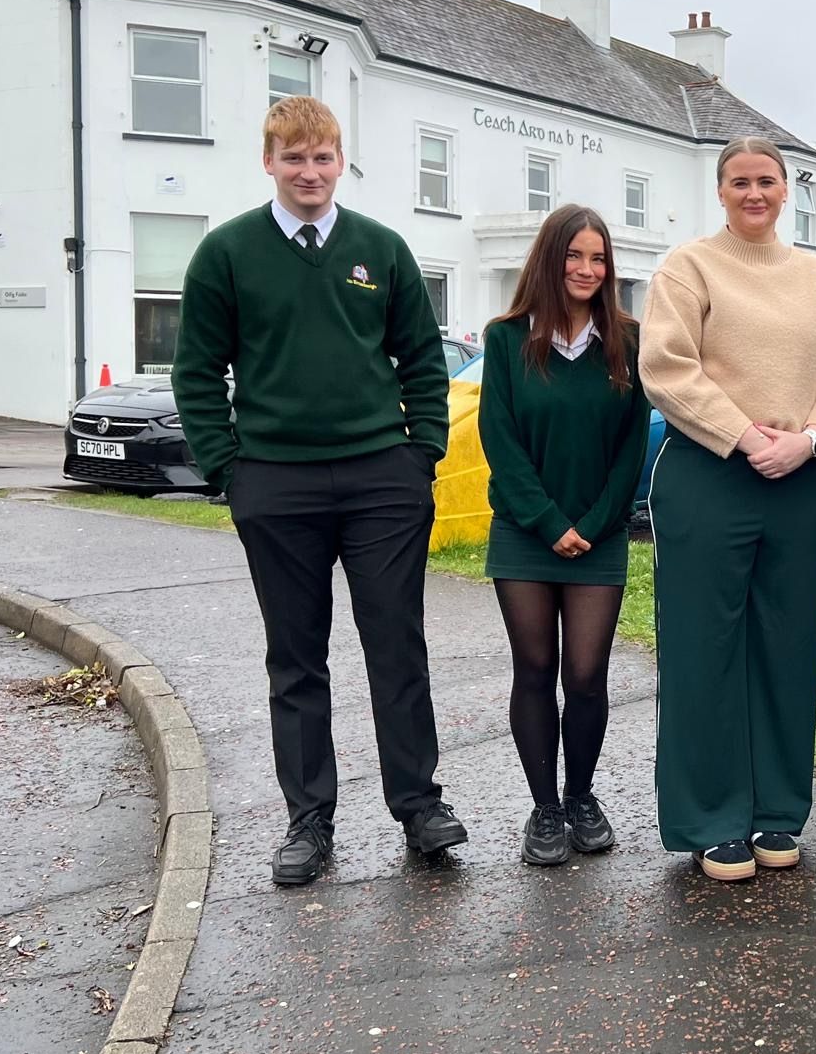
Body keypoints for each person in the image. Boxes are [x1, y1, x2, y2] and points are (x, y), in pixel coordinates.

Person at [172, 96, 466, 886]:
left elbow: (422, 359)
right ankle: (309, 822)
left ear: (341, 162)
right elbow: (196, 371)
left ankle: (420, 807)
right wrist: (228, 470)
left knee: (396, 647)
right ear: (269, 161)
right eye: (294, 158)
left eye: (323, 157)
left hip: (381, 480)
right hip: (275, 483)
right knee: (296, 659)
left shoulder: (382, 249)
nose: (310, 172)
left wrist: (421, 455)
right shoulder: (226, 252)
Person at [639, 136, 816, 881]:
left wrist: (808, 438)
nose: (755, 193)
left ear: (786, 191)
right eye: (740, 181)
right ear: (721, 190)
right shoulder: (689, 268)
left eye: (767, 181)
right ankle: (712, 819)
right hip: (709, 471)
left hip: (797, 478)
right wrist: (745, 436)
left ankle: (777, 810)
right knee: (704, 648)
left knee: (786, 644)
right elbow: (667, 367)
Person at [478, 204, 649, 866]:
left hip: (599, 535)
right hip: (525, 533)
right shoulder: (506, 338)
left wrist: (594, 524)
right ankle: (545, 808)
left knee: (585, 674)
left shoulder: (627, 339)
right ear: (551, 259)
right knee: (534, 669)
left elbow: (631, 446)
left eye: (598, 258)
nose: (586, 268)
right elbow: (500, 438)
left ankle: (581, 796)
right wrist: (550, 523)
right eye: (575, 255)